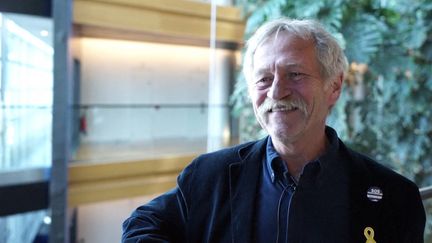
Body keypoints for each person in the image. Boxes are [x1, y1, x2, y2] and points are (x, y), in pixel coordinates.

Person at [122, 18, 426, 243]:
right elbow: (141, 225)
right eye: (264, 79)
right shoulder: (209, 175)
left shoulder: (395, 198)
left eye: (294, 74)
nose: (277, 92)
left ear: (334, 87)